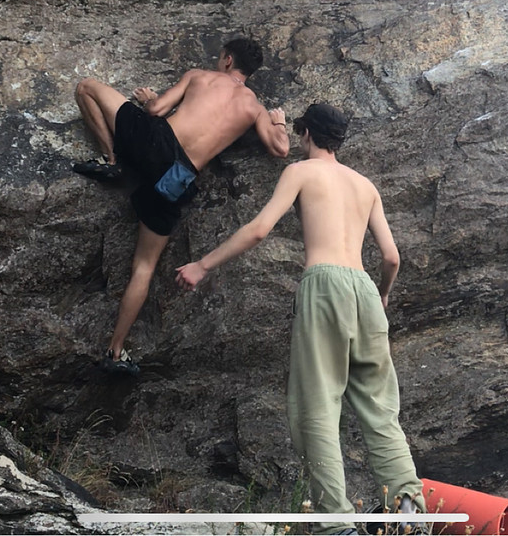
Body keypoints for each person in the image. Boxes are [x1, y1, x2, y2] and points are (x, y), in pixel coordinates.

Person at [175, 104, 423, 535]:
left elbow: (259, 229)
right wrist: (382, 293)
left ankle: (337, 523)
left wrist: (202, 264)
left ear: (306, 133)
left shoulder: (301, 172)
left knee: (317, 405)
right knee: (381, 409)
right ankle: (409, 510)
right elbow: (391, 257)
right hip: (366, 290)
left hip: (324, 283)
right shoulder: (366, 186)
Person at [72, 38, 290, 375]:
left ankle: (111, 160)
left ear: (227, 60)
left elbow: (156, 111)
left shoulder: (200, 76)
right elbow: (280, 149)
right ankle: (115, 352)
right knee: (144, 267)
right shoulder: (255, 109)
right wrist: (279, 122)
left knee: (86, 87)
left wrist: (149, 99)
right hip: (177, 176)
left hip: (153, 140)